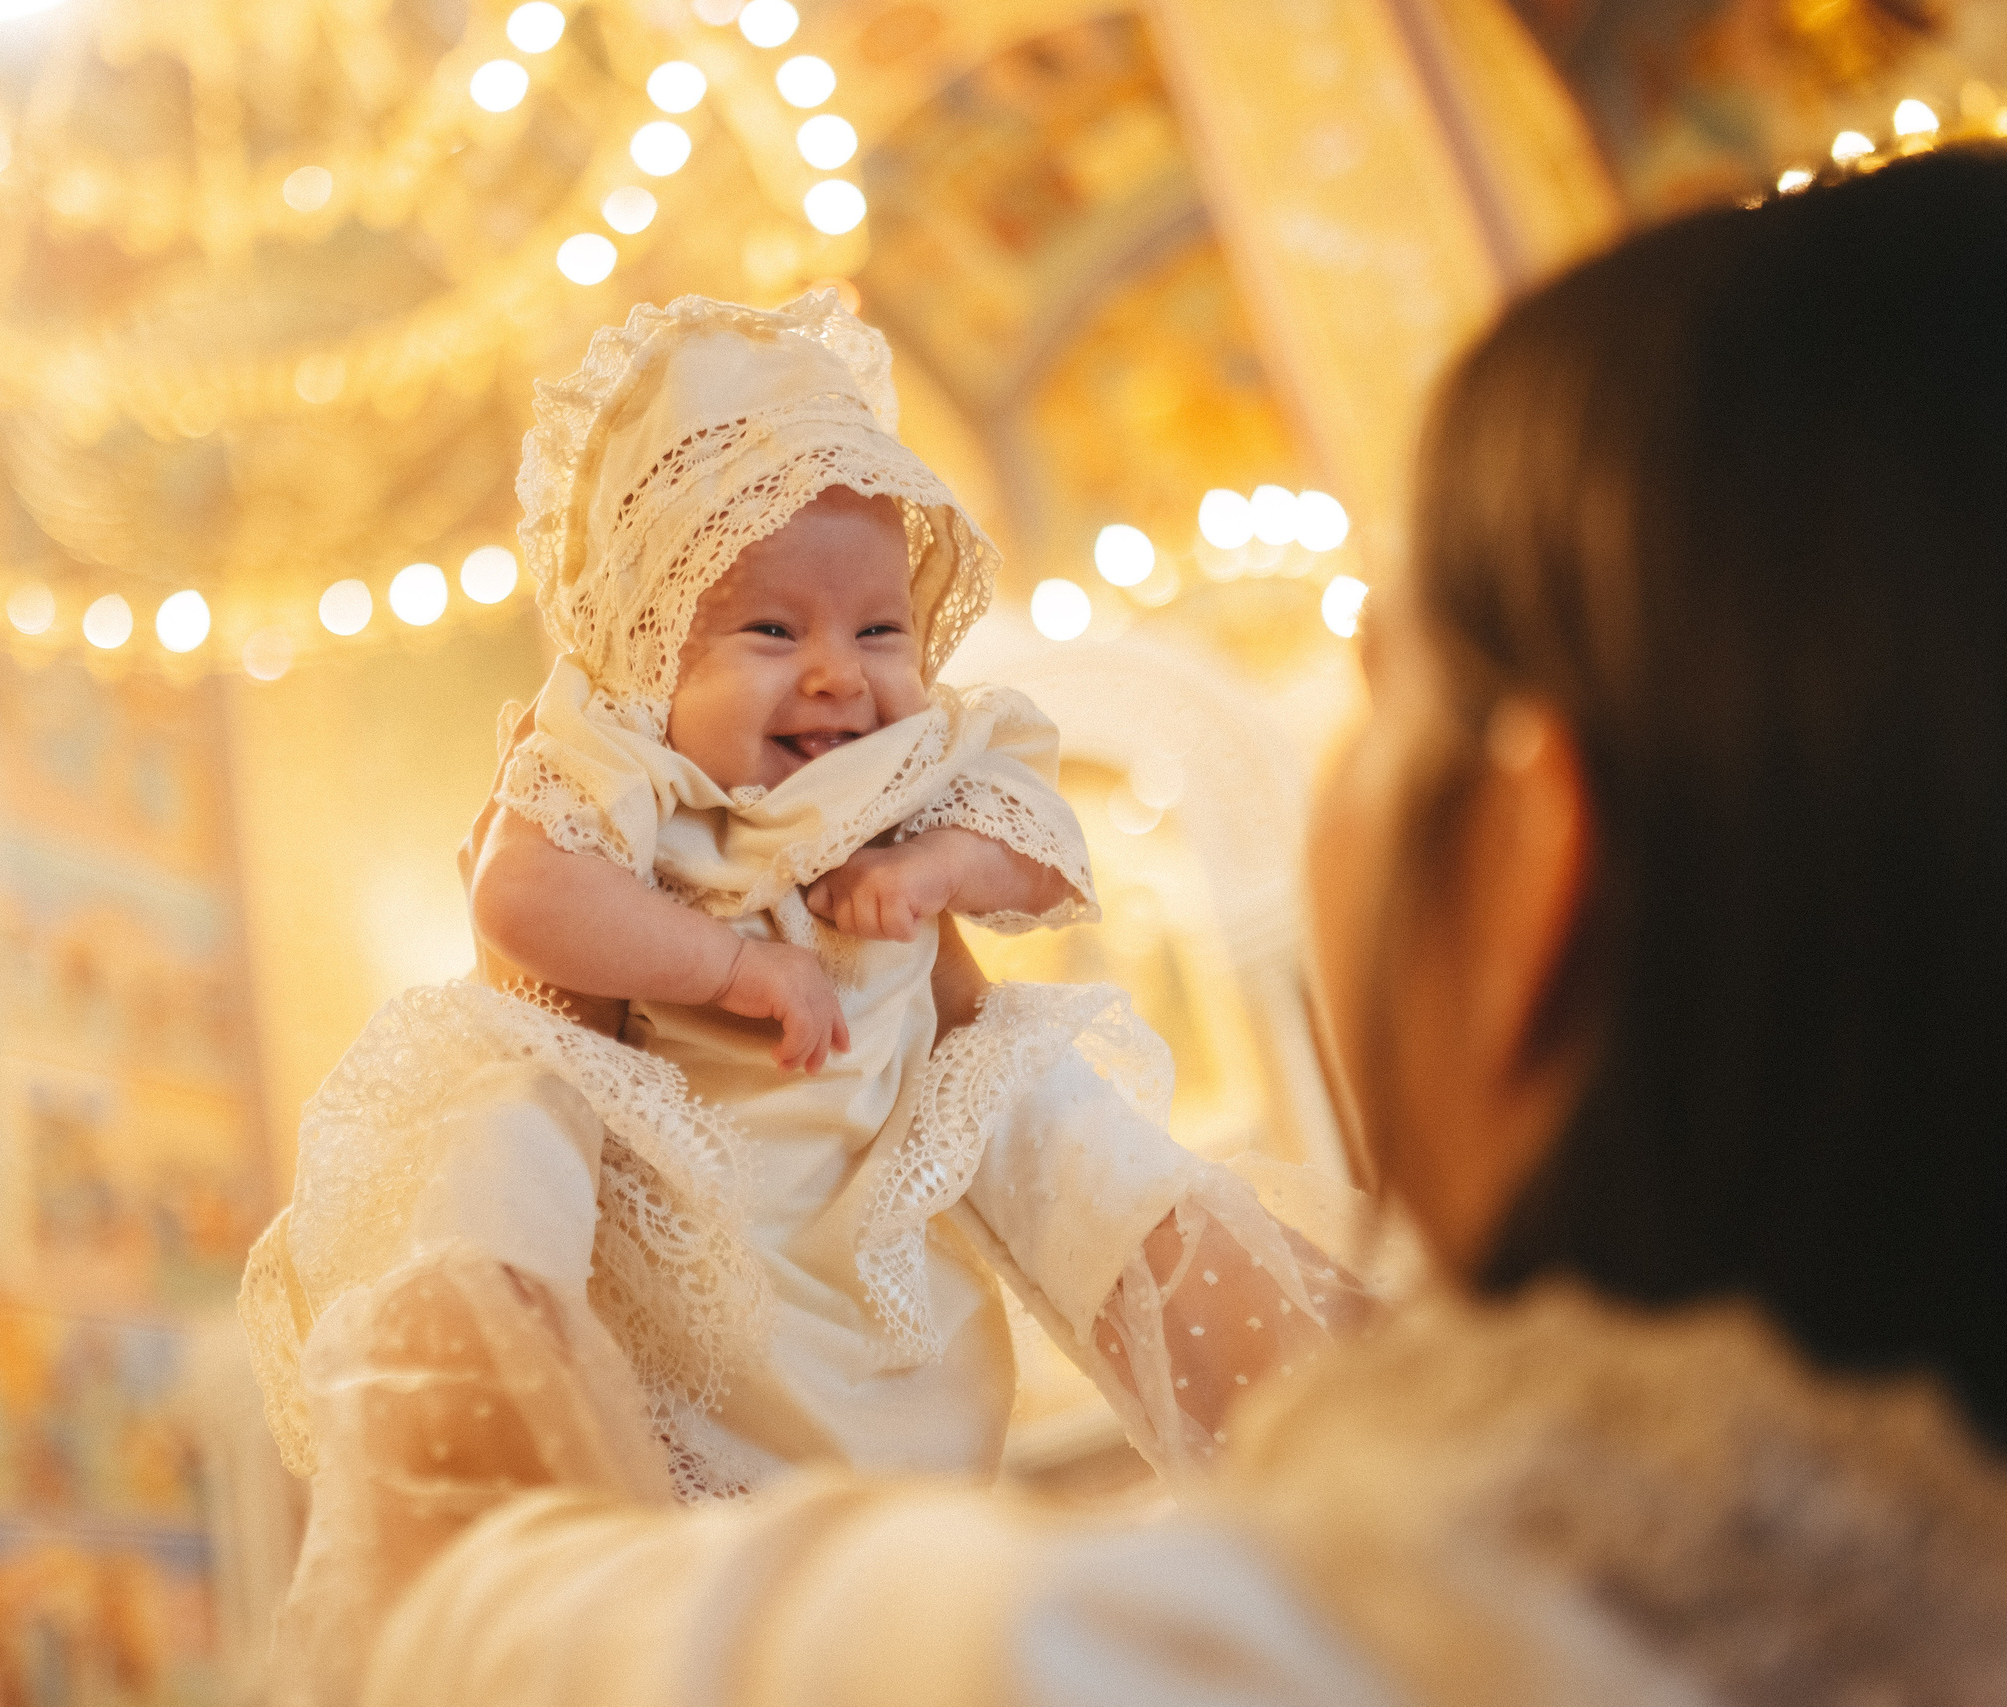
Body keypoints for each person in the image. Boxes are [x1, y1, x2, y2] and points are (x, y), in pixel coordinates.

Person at [327, 147, 2007, 1705]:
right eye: (768, 631)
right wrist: (984, 1071)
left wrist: (507, 1101)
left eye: (1376, 687)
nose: (836, 678)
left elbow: (464, 1627)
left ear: (1531, 870)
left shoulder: (1101, 1661)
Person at [240, 291, 1372, 1700]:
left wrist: (940, 868)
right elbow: (520, 898)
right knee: (530, 1177)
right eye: (772, 630)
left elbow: (1047, 849)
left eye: (881, 628)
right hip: (701, 1303)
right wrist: (730, 964)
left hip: (893, 1304)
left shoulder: (921, 766)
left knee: (933, 1551)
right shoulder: (623, 767)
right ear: (649, 650)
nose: (840, 675)